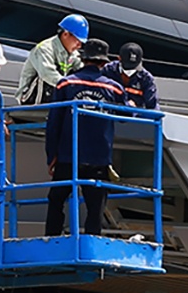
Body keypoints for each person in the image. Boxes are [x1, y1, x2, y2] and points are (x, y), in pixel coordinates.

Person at [45, 38, 128, 237]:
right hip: (98, 158)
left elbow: (53, 122)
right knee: (95, 207)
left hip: (67, 156)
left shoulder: (66, 83)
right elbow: (126, 117)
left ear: (83, 59)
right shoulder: (114, 88)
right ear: (104, 63)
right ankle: (92, 244)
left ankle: (52, 240)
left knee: (56, 199)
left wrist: (51, 155)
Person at [19, 12, 88, 106]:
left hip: (52, 98)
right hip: (30, 98)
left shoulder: (73, 54)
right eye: (77, 41)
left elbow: (82, 70)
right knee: (55, 81)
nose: (79, 46)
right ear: (65, 34)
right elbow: (47, 74)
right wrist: (70, 85)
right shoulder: (44, 49)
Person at [110, 41, 159, 110]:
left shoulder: (146, 78)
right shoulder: (108, 70)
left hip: (134, 117)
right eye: (127, 66)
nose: (129, 72)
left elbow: (153, 105)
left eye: (133, 66)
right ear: (119, 58)